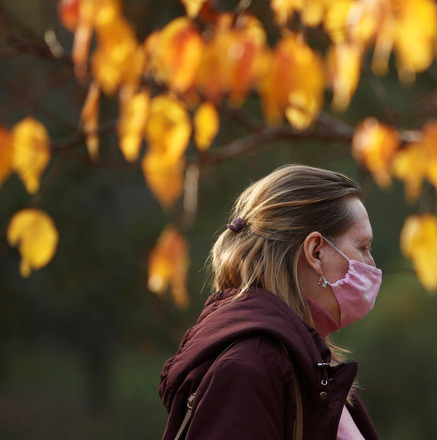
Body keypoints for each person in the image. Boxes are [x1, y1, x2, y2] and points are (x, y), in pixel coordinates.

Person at [159, 165, 382, 440]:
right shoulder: (248, 369)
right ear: (316, 252)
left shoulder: (311, 369)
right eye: (363, 248)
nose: (372, 264)